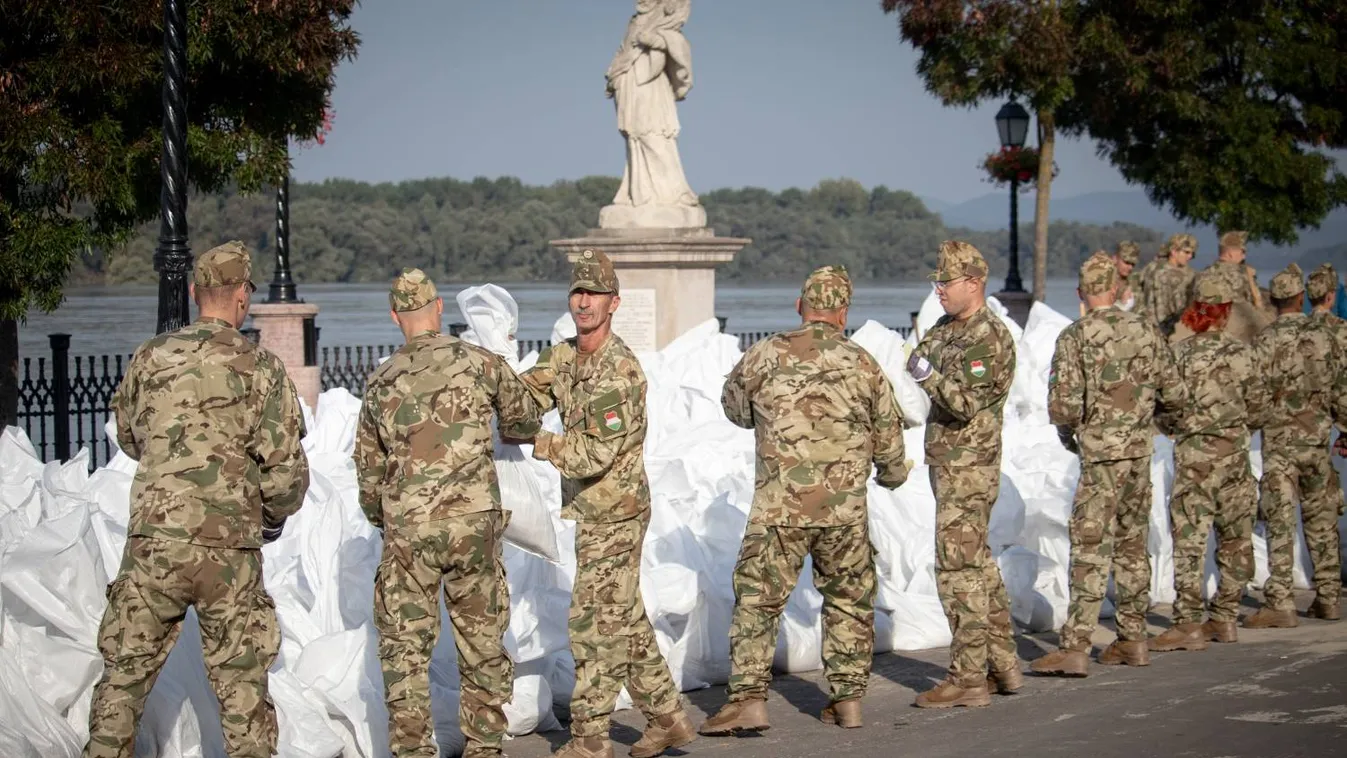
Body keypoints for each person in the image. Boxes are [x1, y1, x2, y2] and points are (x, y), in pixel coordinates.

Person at [85, 241, 309, 758]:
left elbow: (129, 436)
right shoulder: (263, 368)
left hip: (155, 542)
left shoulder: (151, 357)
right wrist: (269, 518)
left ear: (193, 292)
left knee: (123, 679)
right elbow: (286, 471)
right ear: (243, 297)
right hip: (229, 547)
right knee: (243, 692)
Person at [700, 266, 909, 735]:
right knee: (849, 601)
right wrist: (891, 476)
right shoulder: (863, 362)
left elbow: (734, 408)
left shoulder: (767, 353)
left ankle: (750, 700)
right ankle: (848, 700)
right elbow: (890, 439)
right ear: (844, 312)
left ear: (800, 306)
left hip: (779, 509)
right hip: (844, 513)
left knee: (759, 601)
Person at [509, 249, 694, 758]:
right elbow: (527, 395)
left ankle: (591, 739)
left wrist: (538, 442)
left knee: (592, 624)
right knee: (623, 617)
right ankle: (669, 718)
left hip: (618, 512)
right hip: (591, 512)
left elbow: (593, 453)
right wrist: (490, 383)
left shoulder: (619, 372)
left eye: (594, 294)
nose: (583, 302)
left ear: (615, 302)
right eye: (577, 292)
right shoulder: (566, 356)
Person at [355, 269, 540, 758]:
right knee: (481, 641)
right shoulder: (479, 362)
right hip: (472, 522)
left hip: (409, 527)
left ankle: (413, 750)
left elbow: (369, 476)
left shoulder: (380, 380)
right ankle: (483, 748)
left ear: (395, 316)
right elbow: (524, 418)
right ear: (439, 309)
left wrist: (389, 518)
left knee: (405, 649)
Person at [1032, 253, 1186, 677]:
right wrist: (1154, 424)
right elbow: (1173, 392)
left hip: (1099, 455)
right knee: (1133, 543)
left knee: (1090, 547)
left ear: (1081, 294)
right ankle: (1132, 638)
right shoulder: (1146, 329)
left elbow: (1062, 406)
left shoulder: (1075, 336)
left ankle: (1077, 644)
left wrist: (1072, 439)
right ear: (1116, 290)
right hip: (1139, 452)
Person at [905, 240, 1023, 708]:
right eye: (936, 283)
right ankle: (1003, 665)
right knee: (979, 566)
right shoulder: (946, 328)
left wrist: (925, 375)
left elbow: (964, 402)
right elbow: (924, 354)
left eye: (946, 283)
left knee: (958, 571)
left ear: (973, 283)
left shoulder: (988, 337)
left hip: (970, 468)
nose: (939, 291)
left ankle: (968, 677)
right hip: (948, 463)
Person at [1151, 276, 1264, 650]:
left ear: (1195, 310)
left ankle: (1187, 622)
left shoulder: (1181, 354)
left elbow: (1164, 407)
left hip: (1195, 457)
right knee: (1236, 538)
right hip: (1234, 454)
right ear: (1226, 311)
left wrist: (1178, 429)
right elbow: (1261, 407)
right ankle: (1225, 616)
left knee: (1190, 541)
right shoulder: (1245, 353)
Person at [1245, 264, 1345, 627]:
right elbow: (1341, 389)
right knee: (1322, 520)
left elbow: (1252, 397)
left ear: (1273, 301)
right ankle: (1329, 597)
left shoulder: (1265, 341)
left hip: (1281, 447)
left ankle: (1281, 602)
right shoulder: (1325, 338)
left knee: (1280, 522)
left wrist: (1251, 426)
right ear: (1301, 298)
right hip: (1317, 444)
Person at [1145, 234, 1197, 334]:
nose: (1190, 256)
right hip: (1163, 330)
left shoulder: (1190, 274)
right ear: (1173, 251)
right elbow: (1158, 309)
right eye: (1186, 252)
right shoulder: (1160, 273)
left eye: (1192, 254)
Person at [1114, 240, 1140, 311]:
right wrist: (1121, 304)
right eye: (1127, 262)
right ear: (1115, 258)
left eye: (1133, 264)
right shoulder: (1106, 282)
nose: (1130, 267)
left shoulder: (1135, 282)